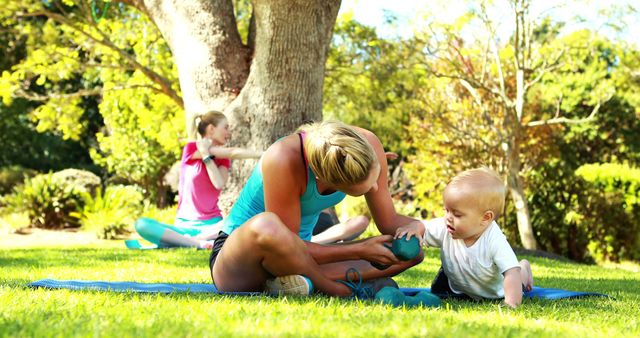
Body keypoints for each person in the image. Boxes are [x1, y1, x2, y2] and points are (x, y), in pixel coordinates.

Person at [209, 120, 423, 298]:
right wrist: (359, 248)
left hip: (306, 260)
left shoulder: (366, 146)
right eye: (365, 186)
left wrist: (416, 227)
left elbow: (389, 222)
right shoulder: (283, 158)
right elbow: (286, 246)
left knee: (409, 254)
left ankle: (293, 284)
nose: (376, 187)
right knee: (268, 225)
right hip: (245, 260)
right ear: (326, 179)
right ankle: (337, 289)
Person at [394, 167, 534, 308]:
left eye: (457, 214)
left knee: (518, 276)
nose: (448, 217)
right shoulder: (446, 226)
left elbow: (511, 272)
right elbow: (423, 226)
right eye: (446, 210)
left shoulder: (494, 240)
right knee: (437, 293)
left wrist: (511, 303)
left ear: (485, 218)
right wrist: (414, 228)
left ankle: (524, 267)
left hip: (493, 291)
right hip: (456, 285)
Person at [134, 111, 261, 249]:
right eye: (225, 127)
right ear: (211, 129)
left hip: (213, 226)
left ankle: (187, 241)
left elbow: (218, 183)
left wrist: (206, 156)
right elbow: (232, 152)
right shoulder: (191, 148)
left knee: (245, 218)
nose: (229, 132)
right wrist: (264, 153)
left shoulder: (223, 159)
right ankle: (198, 243)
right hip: (183, 227)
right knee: (141, 224)